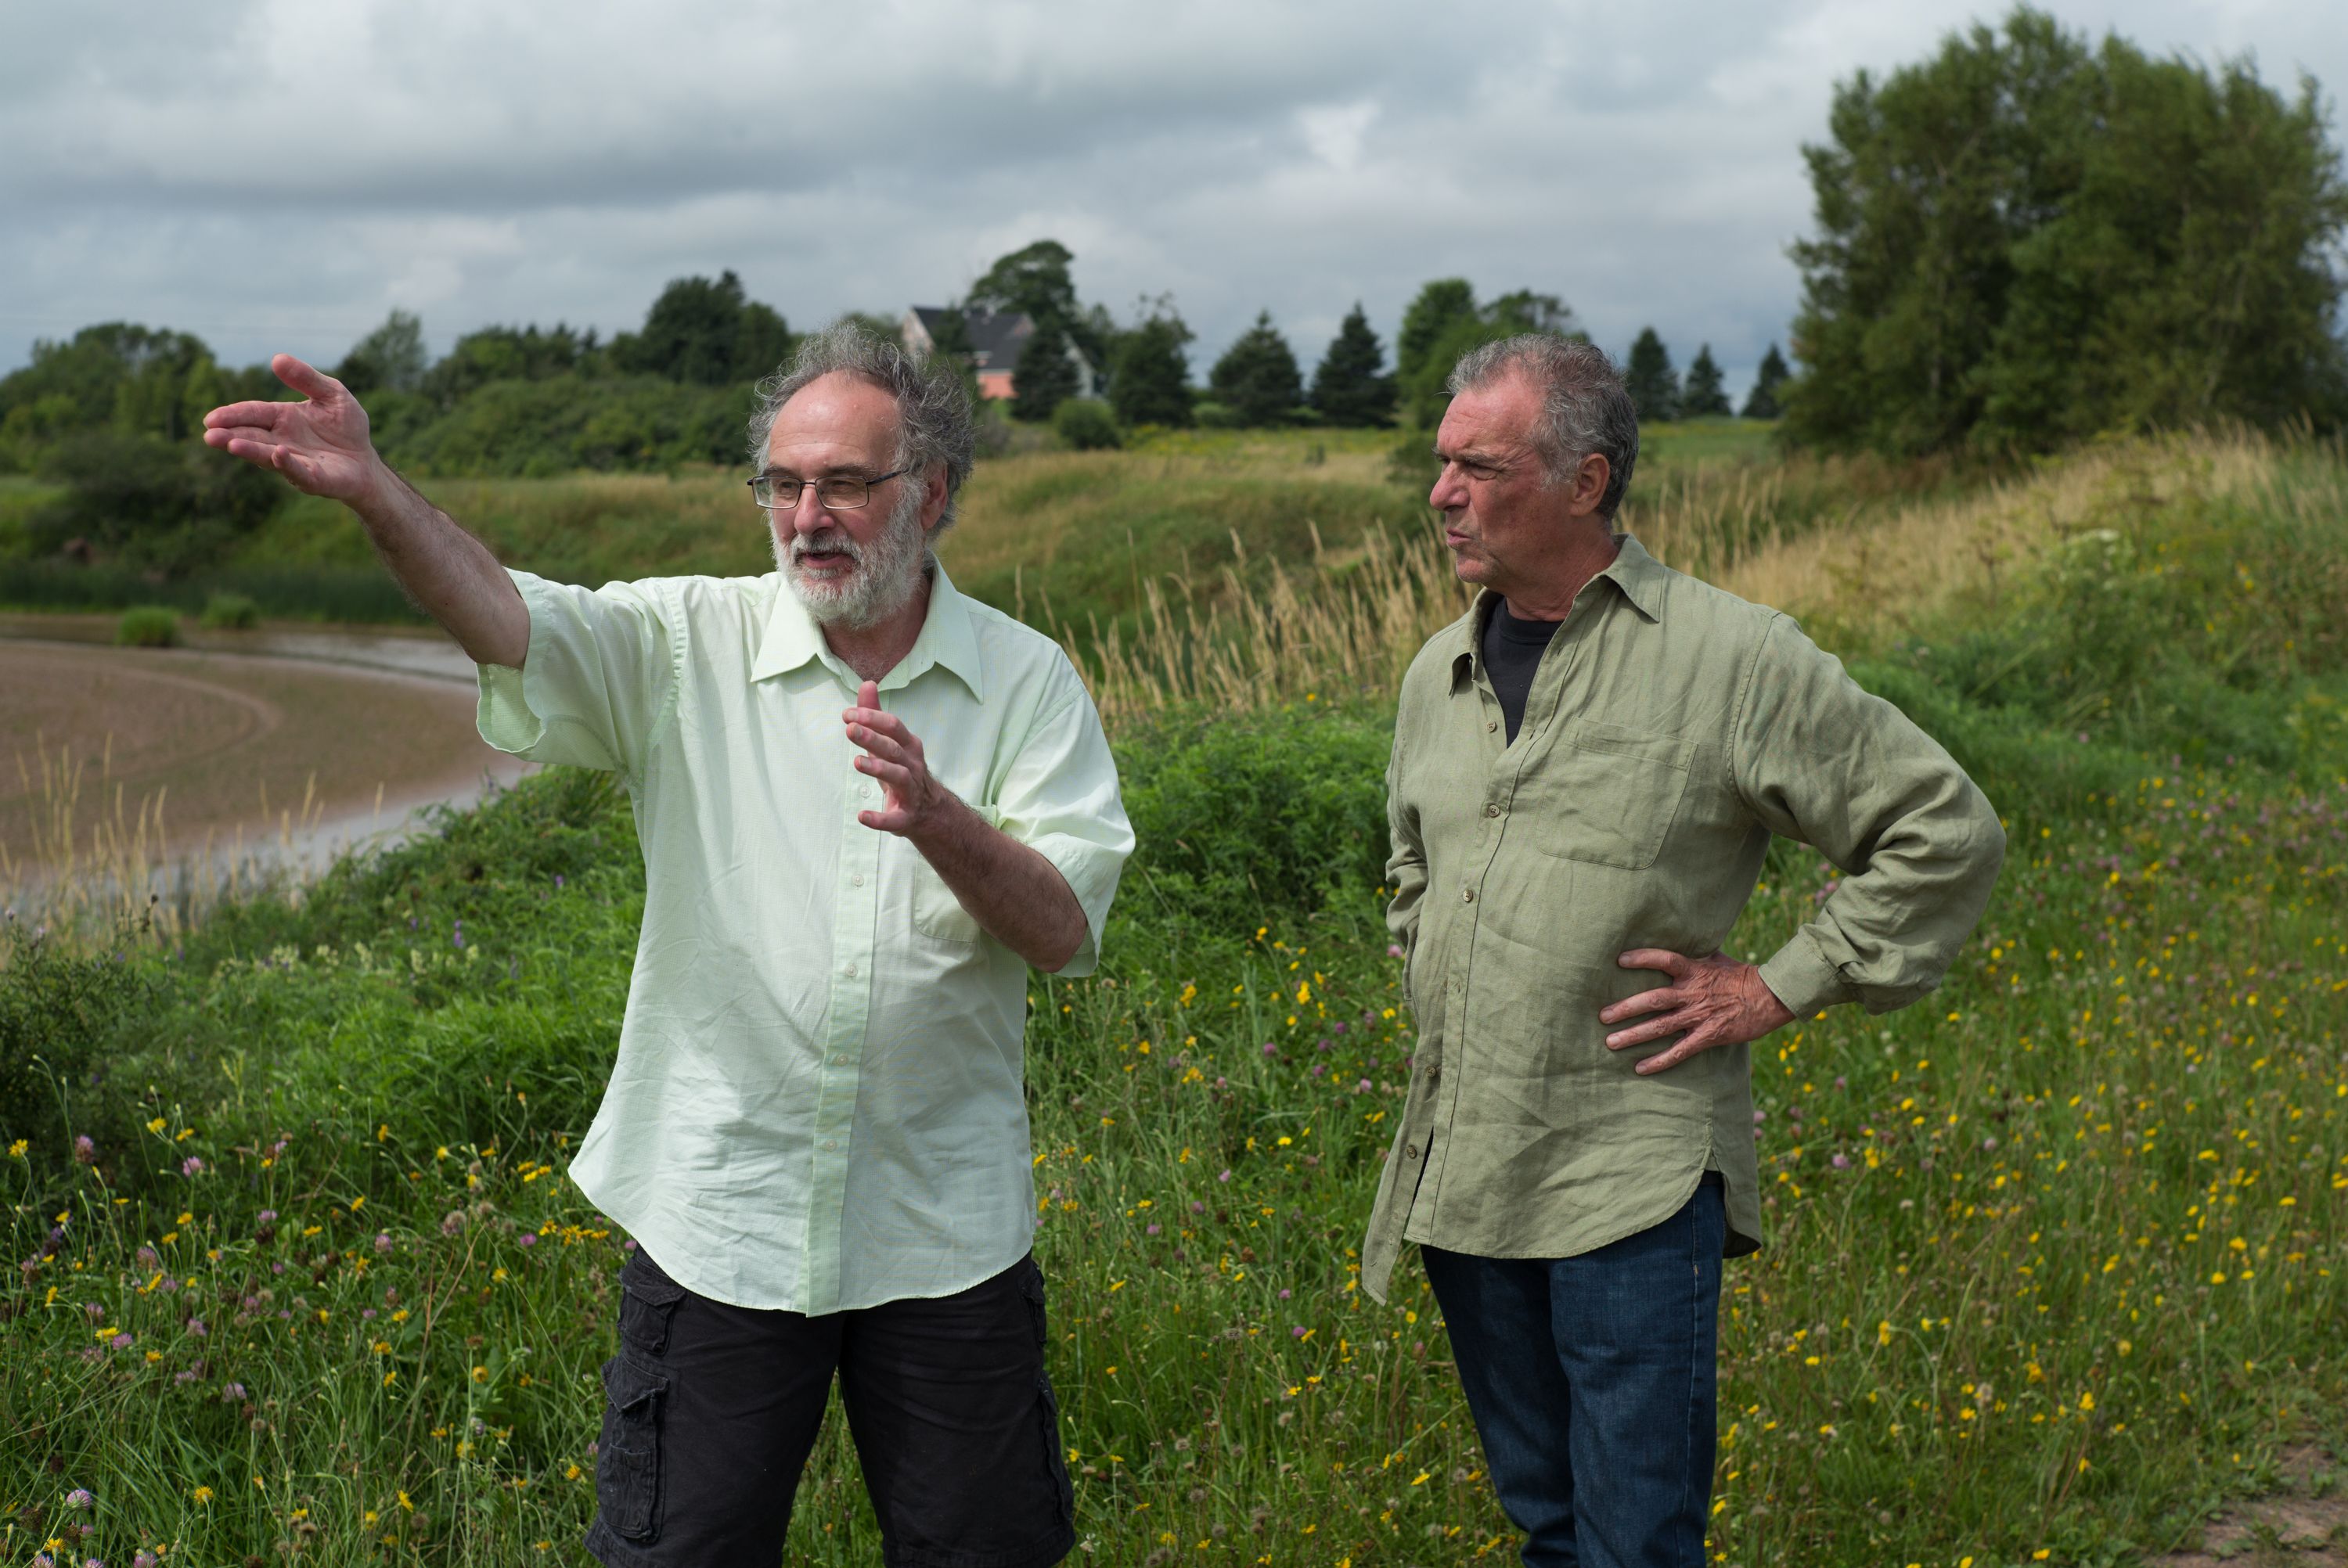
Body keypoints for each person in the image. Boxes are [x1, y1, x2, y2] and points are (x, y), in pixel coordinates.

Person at [203, 323, 1132, 1568]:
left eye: (845, 483)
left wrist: (943, 824)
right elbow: (507, 619)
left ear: (933, 492)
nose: (807, 515)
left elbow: (1065, 929)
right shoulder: (685, 642)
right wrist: (376, 492)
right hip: (721, 1220)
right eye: (784, 484)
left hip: (944, 1235)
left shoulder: (1026, 683)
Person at [1360, 335, 2003, 1567]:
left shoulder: (1732, 658)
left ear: (1586, 482)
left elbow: (1941, 827)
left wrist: (1779, 984)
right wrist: (1433, 966)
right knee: (1546, 1522)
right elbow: (1412, 866)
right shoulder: (1434, 672)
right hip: (1467, 1168)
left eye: (1478, 467)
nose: (1440, 494)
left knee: (1636, 1538)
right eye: (1441, 465)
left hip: (1631, 1179)